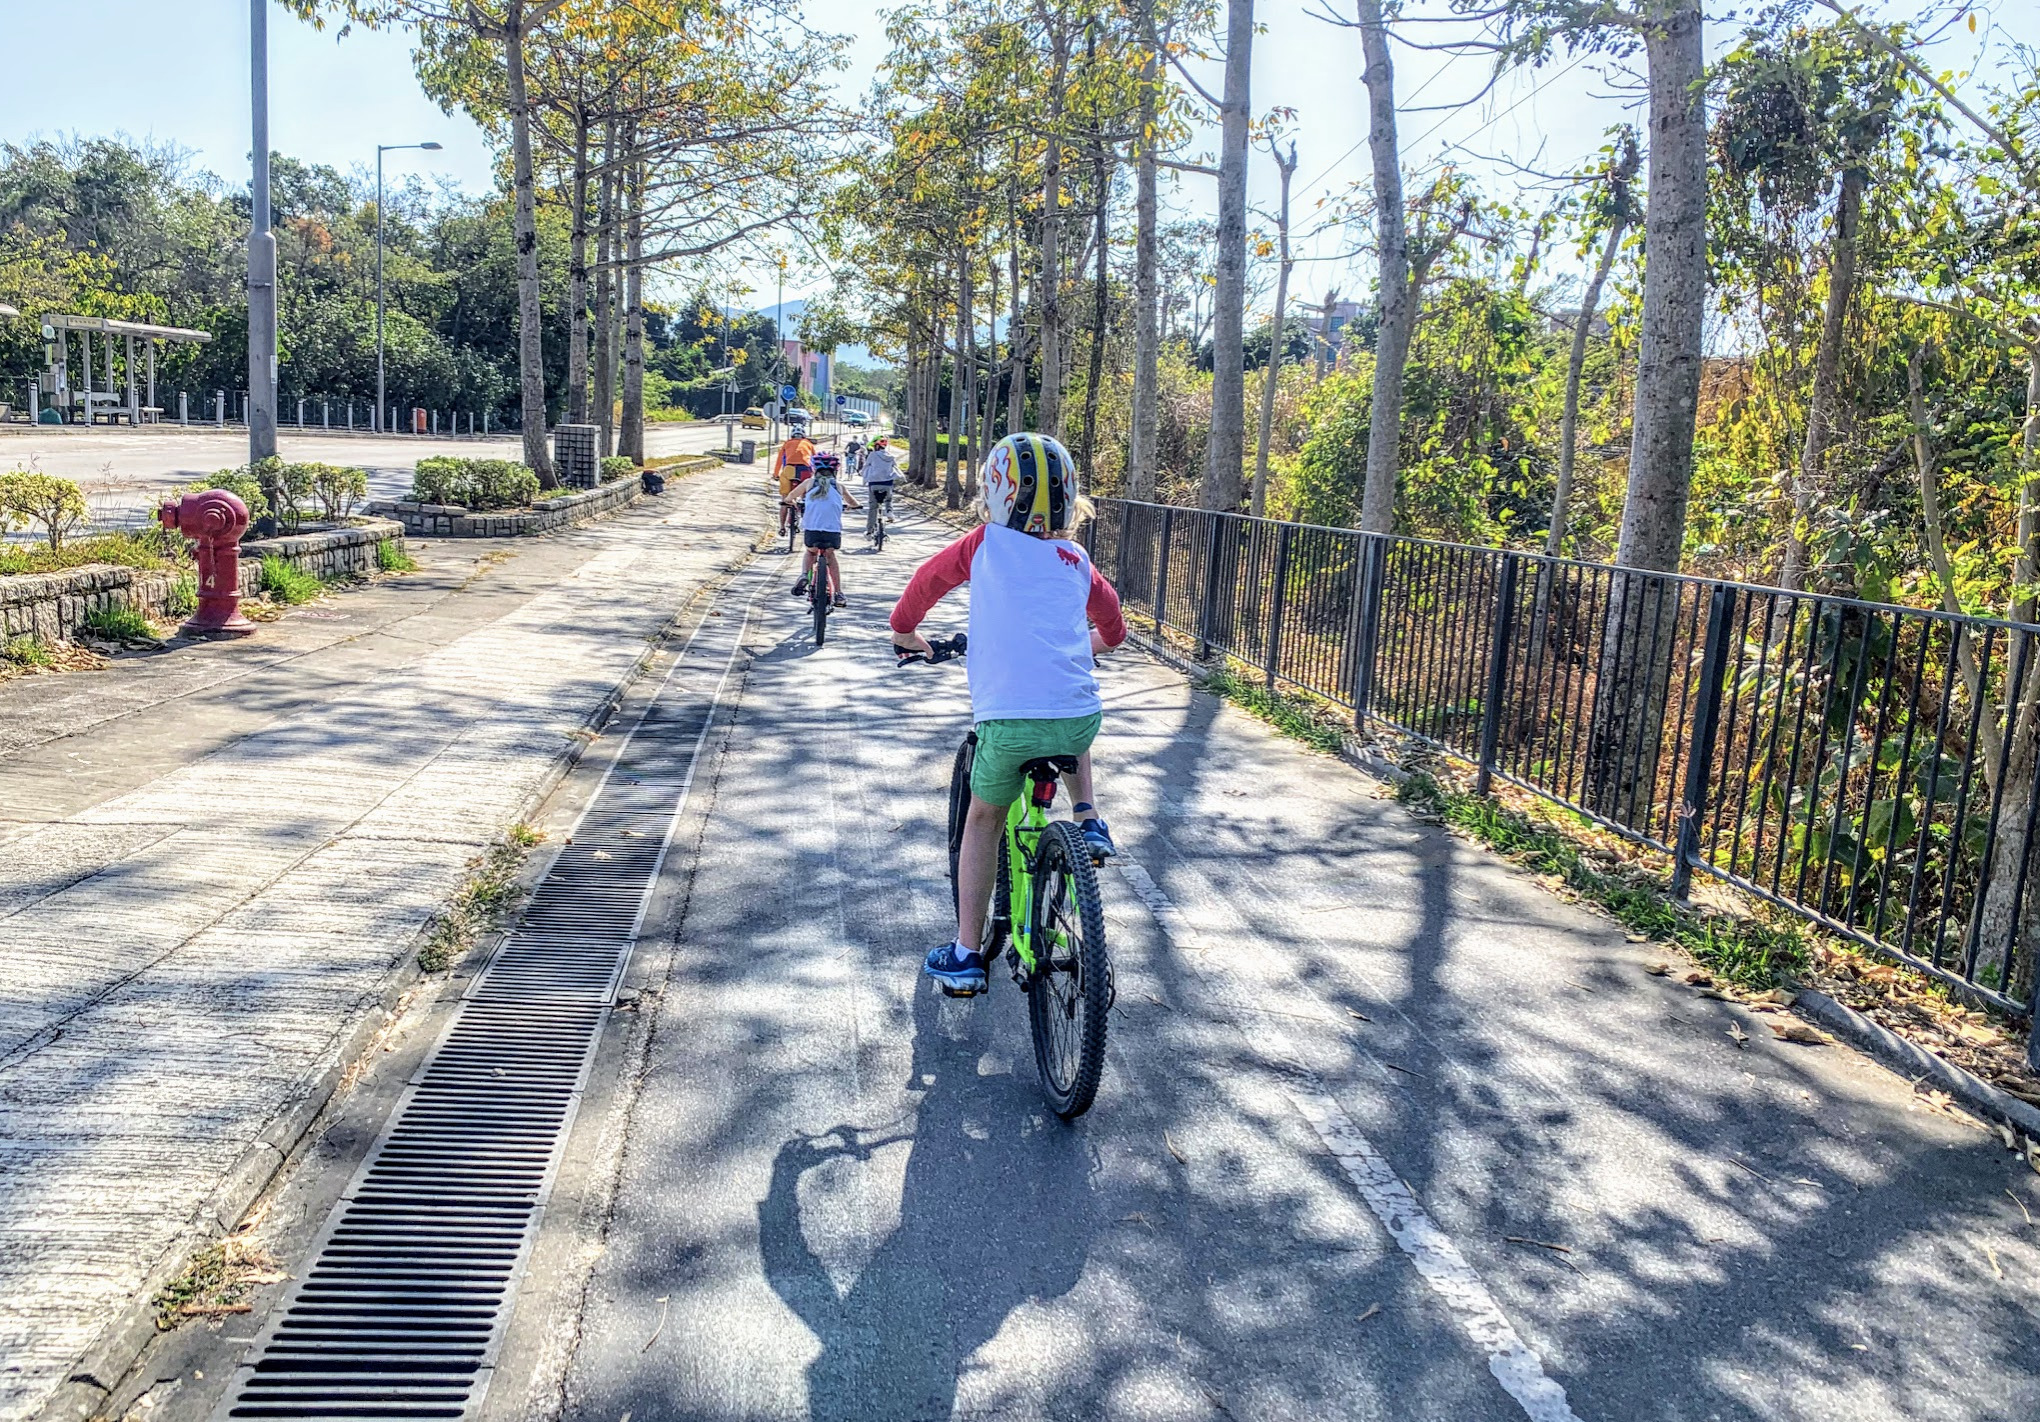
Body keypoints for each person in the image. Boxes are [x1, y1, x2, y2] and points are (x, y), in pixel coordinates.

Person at [890, 432, 1125, 995]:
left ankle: (967, 953)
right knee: (1072, 706)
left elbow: (926, 583)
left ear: (996, 494)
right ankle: (1088, 817)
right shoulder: (1077, 559)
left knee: (983, 820)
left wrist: (905, 631)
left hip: (1007, 724)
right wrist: (1089, 645)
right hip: (1076, 718)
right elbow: (1112, 625)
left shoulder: (983, 544)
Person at [787, 453, 860, 607]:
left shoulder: (808, 483)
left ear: (814, 469)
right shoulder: (839, 486)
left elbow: (789, 497)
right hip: (832, 532)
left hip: (812, 530)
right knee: (830, 556)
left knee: (810, 552)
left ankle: (803, 575)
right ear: (835, 470)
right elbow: (853, 502)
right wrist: (852, 506)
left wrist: (793, 503)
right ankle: (839, 593)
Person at [773, 428, 816, 539]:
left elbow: (779, 460)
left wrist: (775, 474)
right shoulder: (808, 444)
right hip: (804, 471)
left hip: (789, 469)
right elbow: (815, 460)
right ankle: (805, 519)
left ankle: (782, 527)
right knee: (805, 498)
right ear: (803, 436)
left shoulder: (787, 444)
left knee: (785, 499)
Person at [861, 435, 902, 543]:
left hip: (874, 484)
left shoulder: (872, 455)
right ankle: (889, 512)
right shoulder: (890, 456)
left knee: (873, 507)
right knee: (888, 499)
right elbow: (895, 467)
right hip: (887, 484)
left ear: (876, 446)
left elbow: (866, 467)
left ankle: (869, 532)